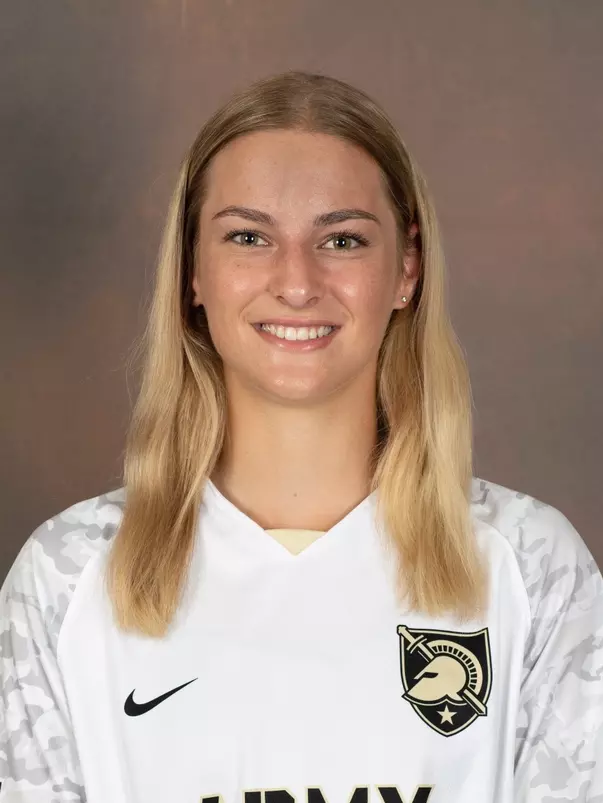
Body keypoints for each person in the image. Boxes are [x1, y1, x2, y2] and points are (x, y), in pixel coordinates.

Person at [0, 70, 601, 803]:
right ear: (193, 270)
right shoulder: (66, 581)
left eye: (341, 239)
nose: (295, 281)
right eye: (248, 236)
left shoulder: (532, 571)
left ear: (405, 269)